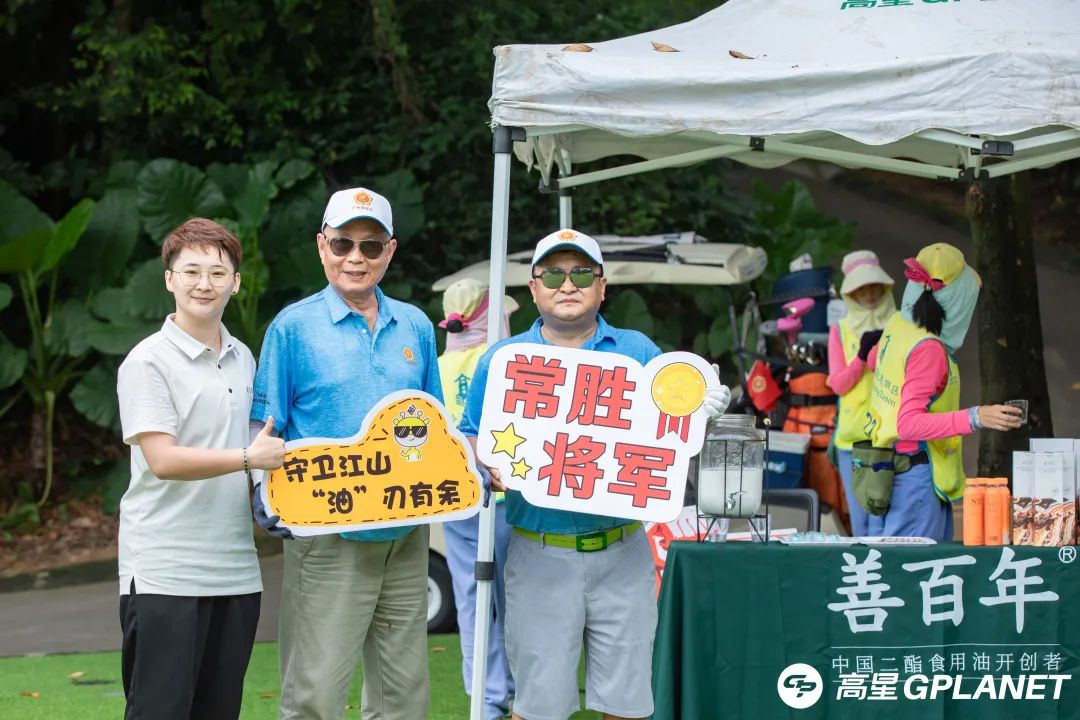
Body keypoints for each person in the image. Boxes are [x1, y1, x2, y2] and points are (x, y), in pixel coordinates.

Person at [459, 229, 732, 720]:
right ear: (534, 288)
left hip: (623, 549)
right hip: (539, 550)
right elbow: (473, 434)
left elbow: (673, 430)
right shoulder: (503, 360)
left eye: (582, 273)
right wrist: (486, 464)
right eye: (553, 275)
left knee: (627, 704)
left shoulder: (638, 352)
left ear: (602, 287)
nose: (568, 285)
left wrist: (702, 408)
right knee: (538, 707)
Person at [251, 187, 442, 720]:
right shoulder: (293, 327)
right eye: (342, 244)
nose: (355, 257)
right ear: (322, 246)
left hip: (406, 530)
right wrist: (263, 491)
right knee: (314, 693)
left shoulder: (415, 325)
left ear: (390, 251)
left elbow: (434, 426)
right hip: (326, 531)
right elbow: (264, 425)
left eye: (371, 245)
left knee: (404, 694)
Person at [116, 218, 286, 720]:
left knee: (219, 711)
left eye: (217, 272)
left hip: (235, 570)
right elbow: (163, 460)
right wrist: (247, 459)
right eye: (191, 271)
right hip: (165, 573)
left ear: (236, 282)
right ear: (169, 279)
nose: (203, 284)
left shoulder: (243, 358)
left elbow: (259, 448)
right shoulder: (147, 362)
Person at [866, 242, 1023, 540]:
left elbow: (875, 361)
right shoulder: (928, 349)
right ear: (959, 299)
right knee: (913, 567)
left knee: (894, 562)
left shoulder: (898, 324)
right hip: (916, 479)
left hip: (888, 468)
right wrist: (976, 417)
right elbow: (908, 424)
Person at [437, 279, 518, 720]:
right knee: (517, 603)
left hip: (457, 501)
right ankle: (521, 694)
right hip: (510, 501)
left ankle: (484, 701)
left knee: (471, 604)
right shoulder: (504, 362)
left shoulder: (436, 367)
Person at [828, 250, 897, 536]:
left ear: (883, 287)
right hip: (853, 438)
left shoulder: (899, 324)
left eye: (873, 286)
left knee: (890, 518)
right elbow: (838, 384)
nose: (869, 294)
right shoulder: (840, 330)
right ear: (851, 293)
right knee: (861, 519)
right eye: (861, 289)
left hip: (893, 435)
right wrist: (861, 357)